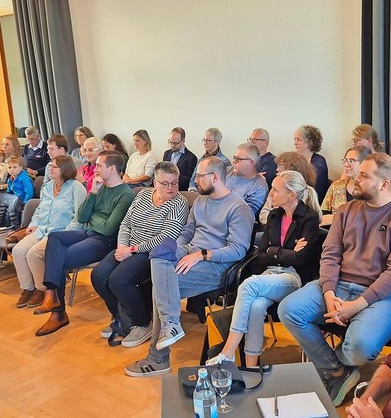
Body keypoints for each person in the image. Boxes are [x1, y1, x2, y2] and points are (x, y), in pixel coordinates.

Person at [278, 153, 391, 407]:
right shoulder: (346, 210)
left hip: (378, 296)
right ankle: (338, 371)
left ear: (384, 184)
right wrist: (329, 294)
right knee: (289, 309)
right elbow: (330, 255)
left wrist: (357, 305)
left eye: (364, 175)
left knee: (361, 346)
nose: (355, 177)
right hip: (337, 285)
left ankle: (338, 363)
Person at [125, 157, 253, 377]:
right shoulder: (202, 202)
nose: (195, 180)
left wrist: (201, 255)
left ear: (214, 177)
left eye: (199, 176)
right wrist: (179, 250)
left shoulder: (239, 208)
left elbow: (239, 250)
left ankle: (159, 356)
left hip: (218, 266)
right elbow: (186, 232)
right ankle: (170, 325)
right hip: (192, 251)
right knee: (160, 252)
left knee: (162, 286)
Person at [206, 171, 322, 367]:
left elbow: (301, 259)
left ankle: (228, 352)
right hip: (270, 274)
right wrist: (285, 252)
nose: (270, 194)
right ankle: (251, 367)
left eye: (275, 190)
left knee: (249, 285)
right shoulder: (275, 216)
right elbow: (261, 253)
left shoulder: (308, 219)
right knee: (256, 306)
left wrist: (273, 251)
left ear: (292, 195)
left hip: (293, 277)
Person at [33, 151, 136, 336]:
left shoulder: (126, 195)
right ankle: (51, 294)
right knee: (55, 238)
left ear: (112, 169)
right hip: (88, 232)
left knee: (60, 258)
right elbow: (81, 216)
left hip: (104, 242)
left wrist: (93, 218)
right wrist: (93, 192)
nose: (94, 169)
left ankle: (58, 313)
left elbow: (107, 228)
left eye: (99, 166)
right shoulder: (101, 188)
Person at [91, 162, 189, 347]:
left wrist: (132, 250)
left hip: (151, 253)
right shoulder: (143, 194)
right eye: (165, 183)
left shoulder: (179, 203)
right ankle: (122, 318)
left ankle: (142, 323)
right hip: (127, 248)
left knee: (118, 280)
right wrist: (122, 246)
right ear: (154, 182)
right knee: (98, 275)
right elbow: (126, 223)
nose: (170, 188)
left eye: (174, 183)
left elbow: (166, 238)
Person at [14, 155, 86, 308]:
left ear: (65, 169)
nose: (50, 168)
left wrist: (66, 234)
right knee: (18, 250)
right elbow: (40, 209)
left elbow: (80, 216)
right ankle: (28, 288)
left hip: (60, 233)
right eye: (50, 166)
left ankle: (43, 290)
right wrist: (33, 224)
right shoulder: (47, 187)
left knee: (33, 253)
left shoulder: (76, 187)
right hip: (42, 229)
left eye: (54, 166)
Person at [259, 151, 317, 226]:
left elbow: (298, 220)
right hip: (271, 227)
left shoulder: (303, 191)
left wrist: (276, 218)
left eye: (281, 167)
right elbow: (263, 214)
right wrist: (276, 220)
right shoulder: (276, 186)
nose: (277, 169)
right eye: (278, 166)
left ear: (293, 171)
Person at [321, 146, 371, 226]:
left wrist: (336, 218)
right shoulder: (336, 186)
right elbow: (324, 215)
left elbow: (369, 219)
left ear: (363, 163)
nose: (346, 164)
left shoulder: (370, 189)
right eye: (345, 160)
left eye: (351, 161)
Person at [225, 143, 269, 216]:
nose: (234, 161)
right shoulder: (228, 171)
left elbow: (246, 215)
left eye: (238, 159)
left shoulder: (259, 187)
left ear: (251, 163)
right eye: (234, 157)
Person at [293, 124, 329, 203]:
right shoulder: (294, 159)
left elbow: (317, 190)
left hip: (312, 202)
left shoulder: (319, 162)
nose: (295, 143)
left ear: (309, 142)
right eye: (295, 139)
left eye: (299, 140)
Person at [162, 127, 197, 191]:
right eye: (171, 142)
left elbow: (189, 179)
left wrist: (171, 177)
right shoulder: (167, 154)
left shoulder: (191, 158)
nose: (172, 145)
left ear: (183, 141)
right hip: (165, 189)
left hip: (180, 191)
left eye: (175, 143)